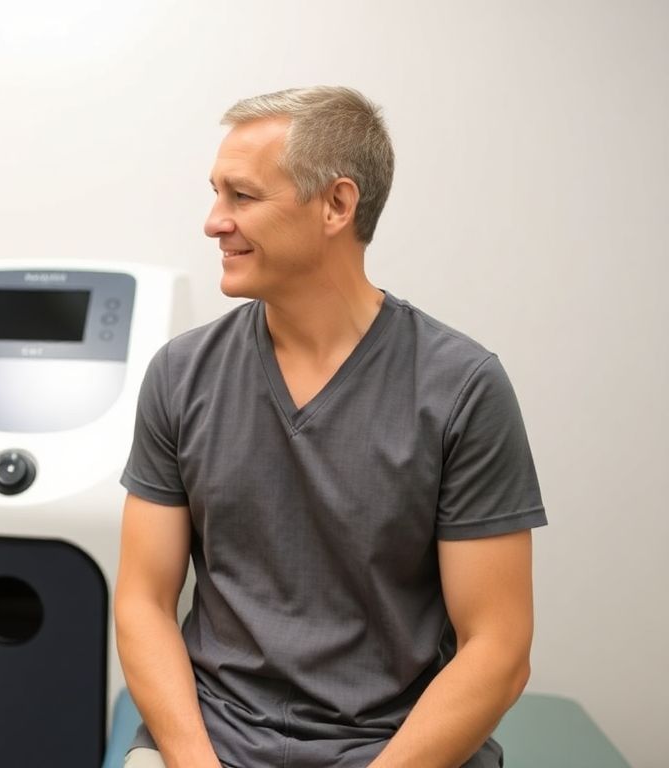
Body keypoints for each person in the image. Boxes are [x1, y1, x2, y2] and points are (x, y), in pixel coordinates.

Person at [114, 86, 546, 768]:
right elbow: (142, 600)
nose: (213, 222)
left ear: (337, 206)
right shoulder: (181, 375)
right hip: (215, 741)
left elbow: (499, 650)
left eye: (242, 196)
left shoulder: (461, 389)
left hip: (396, 749)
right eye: (215, 193)